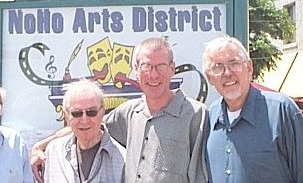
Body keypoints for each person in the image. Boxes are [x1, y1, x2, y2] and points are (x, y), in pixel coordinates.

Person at [32, 37, 208, 183]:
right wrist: (40, 146)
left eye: (160, 66)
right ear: (136, 71)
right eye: (146, 66)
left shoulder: (195, 114)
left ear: (172, 69)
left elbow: (201, 175)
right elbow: (88, 124)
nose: (153, 75)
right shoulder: (130, 113)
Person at [203, 36, 303, 183]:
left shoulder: (282, 111)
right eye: (218, 67)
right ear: (209, 77)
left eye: (234, 63)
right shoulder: (210, 117)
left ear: (249, 68)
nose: (227, 73)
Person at [43, 79, 125, 183]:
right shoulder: (54, 153)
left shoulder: (123, 159)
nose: (84, 119)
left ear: (102, 112)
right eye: (76, 113)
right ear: (66, 116)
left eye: (91, 112)